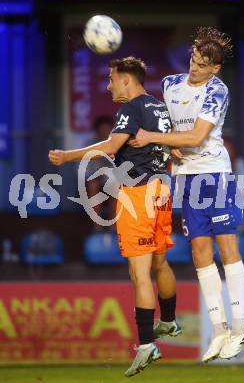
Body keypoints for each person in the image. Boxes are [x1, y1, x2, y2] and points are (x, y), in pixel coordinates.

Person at [48, 57, 181, 377]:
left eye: (111, 79)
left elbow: (112, 145)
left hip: (137, 195)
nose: (108, 86)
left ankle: (147, 345)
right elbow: (174, 151)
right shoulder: (159, 107)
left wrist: (68, 155)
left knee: (139, 273)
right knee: (160, 263)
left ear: (126, 80)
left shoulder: (130, 108)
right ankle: (170, 321)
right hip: (162, 189)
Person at [129, 27, 244, 361]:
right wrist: (168, 146)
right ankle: (219, 329)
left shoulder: (217, 90)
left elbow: (196, 137)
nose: (194, 67)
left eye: (202, 64)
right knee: (199, 251)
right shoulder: (170, 84)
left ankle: (239, 325)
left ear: (215, 68)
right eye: (193, 60)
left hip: (214, 173)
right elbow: (171, 127)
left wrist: (154, 138)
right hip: (186, 178)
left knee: (227, 246)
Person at [85, 115, 116, 231]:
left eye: (107, 130)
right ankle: (97, 226)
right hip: (92, 182)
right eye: (102, 130)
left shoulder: (117, 145)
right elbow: (85, 171)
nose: (105, 133)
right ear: (97, 131)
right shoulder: (89, 144)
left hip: (112, 181)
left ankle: (114, 225)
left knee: (115, 185)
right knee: (93, 185)